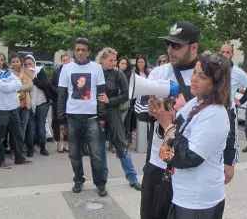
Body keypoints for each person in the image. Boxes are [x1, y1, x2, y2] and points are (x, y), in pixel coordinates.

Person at [151, 52, 231, 219]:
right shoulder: (196, 102)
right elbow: (176, 130)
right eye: (194, 72)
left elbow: (188, 158)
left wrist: (167, 125)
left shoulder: (215, 114)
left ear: (216, 83)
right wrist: (161, 115)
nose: (194, 78)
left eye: (202, 76)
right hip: (184, 193)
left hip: (198, 200)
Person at [136, 21, 200, 219]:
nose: (170, 50)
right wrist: (154, 112)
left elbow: (227, 116)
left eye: (176, 45)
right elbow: (139, 109)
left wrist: (229, 160)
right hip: (158, 160)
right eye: (168, 44)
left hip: (191, 161)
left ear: (194, 47)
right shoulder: (159, 72)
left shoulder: (207, 73)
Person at [57, 38, 107, 197]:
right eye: (77, 49)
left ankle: (100, 183)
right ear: (74, 50)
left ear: (88, 52)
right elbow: (61, 95)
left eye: (83, 49)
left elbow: (101, 93)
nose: (80, 52)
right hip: (72, 117)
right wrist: (61, 119)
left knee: (96, 154)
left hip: (92, 117)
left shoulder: (97, 68)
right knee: (74, 154)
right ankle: (78, 180)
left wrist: (102, 116)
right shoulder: (65, 68)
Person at [96, 47, 141, 191]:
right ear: (102, 59)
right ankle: (102, 181)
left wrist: (110, 100)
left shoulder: (118, 74)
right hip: (98, 114)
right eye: (110, 60)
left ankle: (133, 178)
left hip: (113, 111)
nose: (113, 63)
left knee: (122, 146)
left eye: (114, 60)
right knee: (100, 149)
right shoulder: (95, 72)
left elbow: (126, 94)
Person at [0, 52, 32, 169]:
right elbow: (6, 88)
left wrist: (11, 84)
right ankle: (0, 162)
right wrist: (12, 85)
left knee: (17, 135)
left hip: (13, 108)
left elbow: (18, 83)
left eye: (1, 60)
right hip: (1, 110)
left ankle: (19, 158)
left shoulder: (5, 71)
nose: (0, 62)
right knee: (0, 137)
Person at [219, 44, 247, 183]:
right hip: (212, 112)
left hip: (229, 113)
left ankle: (227, 171)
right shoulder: (212, 69)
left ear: (232, 55)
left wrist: (242, 100)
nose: (225, 54)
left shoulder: (237, 71)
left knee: (230, 144)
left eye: (228, 52)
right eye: (222, 52)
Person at [24, 54, 52, 157]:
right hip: (29, 103)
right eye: (26, 64)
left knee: (40, 125)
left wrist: (32, 77)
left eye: (30, 64)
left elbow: (43, 85)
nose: (28, 66)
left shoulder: (40, 71)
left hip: (42, 102)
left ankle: (43, 148)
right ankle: (30, 148)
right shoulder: (23, 73)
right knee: (31, 127)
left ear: (34, 63)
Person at [8, 53, 34, 159]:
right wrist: (20, 87)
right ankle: (13, 150)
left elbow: (30, 84)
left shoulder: (25, 71)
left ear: (20, 62)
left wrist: (18, 87)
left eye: (17, 61)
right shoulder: (8, 73)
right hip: (13, 104)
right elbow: (8, 86)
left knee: (22, 128)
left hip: (25, 104)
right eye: (13, 61)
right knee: (13, 129)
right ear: (10, 63)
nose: (15, 63)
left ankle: (19, 149)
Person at [50, 52, 71, 153]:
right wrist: (59, 91)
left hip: (70, 100)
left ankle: (67, 142)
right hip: (58, 100)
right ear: (61, 61)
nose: (66, 62)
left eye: (67, 60)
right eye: (64, 60)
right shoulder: (56, 72)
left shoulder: (73, 71)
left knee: (68, 121)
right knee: (57, 121)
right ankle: (58, 142)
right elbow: (51, 84)